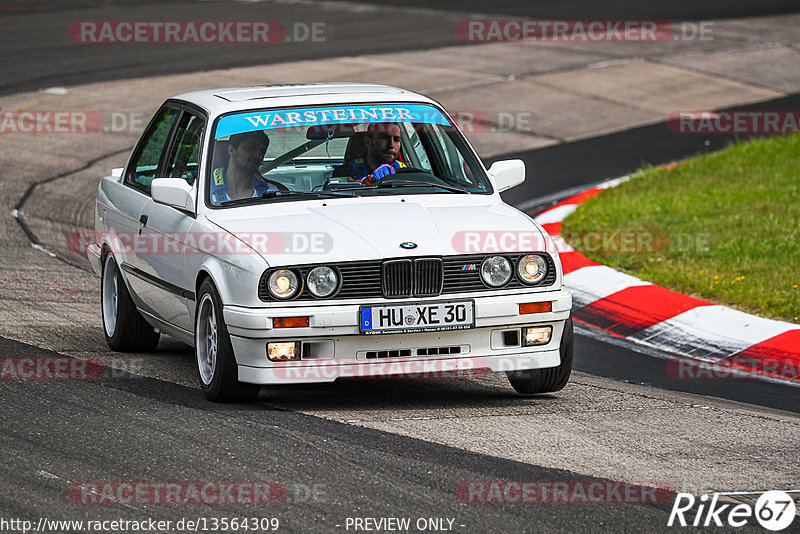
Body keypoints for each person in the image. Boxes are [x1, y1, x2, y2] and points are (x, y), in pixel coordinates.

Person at [210, 131, 285, 203]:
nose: (258, 155)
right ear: (231, 150)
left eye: (262, 151)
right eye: (251, 148)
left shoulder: (271, 193)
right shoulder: (204, 191)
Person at [332, 122, 406, 184]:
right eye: (384, 137)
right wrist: (368, 180)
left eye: (396, 139)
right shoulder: (348, 171)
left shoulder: (404, 171)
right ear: (368, 142)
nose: (391, 145)